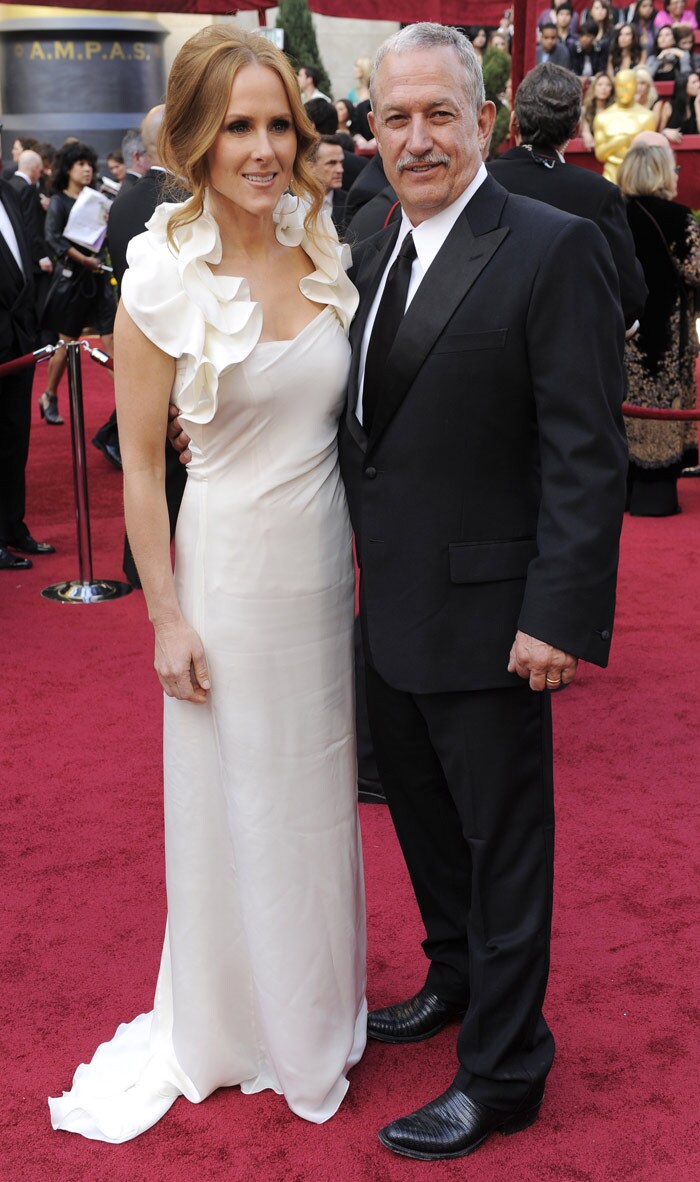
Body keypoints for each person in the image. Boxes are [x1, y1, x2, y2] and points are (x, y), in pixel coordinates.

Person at [48, 24, 366, 1142]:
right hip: (225, 578)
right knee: (238, 802)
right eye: (237, 125)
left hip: (322, 571)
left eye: (279, 123)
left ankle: (316, 1003)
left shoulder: (323, 244)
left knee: (315, 791)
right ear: (193, 138)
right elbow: (139, 465)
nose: (264, 147)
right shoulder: (161, 275)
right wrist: (165, 614)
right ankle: (238, 1024)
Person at [337, 22, 627, 1161]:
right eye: (394, 118)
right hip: (388, 608)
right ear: (370, 131)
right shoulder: (365, 240)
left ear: (485, 124)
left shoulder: (547, 246)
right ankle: (452, 982)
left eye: (438, 115)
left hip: (495, 617)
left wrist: (556, 613)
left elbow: (585, 448)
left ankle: (506, 1071)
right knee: (422, 827)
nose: (416, 139)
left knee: (504, 850)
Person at [488, 63, 647, 333]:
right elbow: (628, 298)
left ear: (514, 120)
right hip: (569, 355)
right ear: (576, 129)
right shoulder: (598, 193)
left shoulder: (480, 181)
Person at [619, 133, 700, 513]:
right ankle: (655, 495)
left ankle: (626, 488)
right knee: (662, 404)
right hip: (666, 336)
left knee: (626, 404)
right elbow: (696, 271)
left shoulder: (612, 213)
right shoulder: (679, 218)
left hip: (623, 333)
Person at [0, 154, 55, 568]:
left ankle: (13, 526)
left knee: (16, 439)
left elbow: (25, 262)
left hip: (17, 342)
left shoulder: (10, 192)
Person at [38, 140, 117, 425]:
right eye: (80, 164)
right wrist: (84, 260)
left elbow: (102, 239)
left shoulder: (96, 199)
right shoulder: (59, 201)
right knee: (66, 343)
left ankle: (125, 401)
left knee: (110, 340)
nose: (86, 169)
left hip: (98, 280)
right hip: (73, 282)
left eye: (88, 164)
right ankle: (49, 394)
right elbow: (53, 238)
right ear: (68, 168)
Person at [594, 67, 657, 180]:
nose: (624, 91)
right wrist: (615, 143)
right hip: (611, 174)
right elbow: (599, 155)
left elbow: (650, 154)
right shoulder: (602, 118)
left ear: (635, 86)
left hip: (638, 174)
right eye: (620, 86)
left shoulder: (648, 117)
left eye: (629, 86)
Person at [308, 134, 347, 233]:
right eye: (332, 163)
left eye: (341, 162)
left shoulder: (349, 203)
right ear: (310, 167)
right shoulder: (289, 202)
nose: (340, 170)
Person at [581, 70, 616, 145]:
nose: (604, 88)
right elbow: (585, 132)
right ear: (594, 88)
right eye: (600, 84)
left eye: (608, 85)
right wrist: (586, 135)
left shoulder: (615, 111)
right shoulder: (586, 110)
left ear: (611, 89)